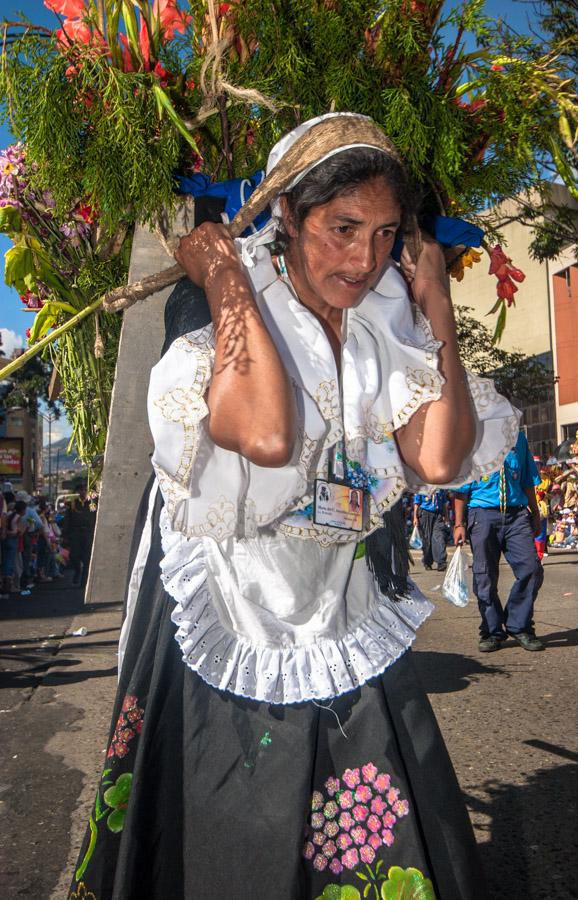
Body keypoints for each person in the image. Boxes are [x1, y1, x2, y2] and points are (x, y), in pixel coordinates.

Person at [68, 113, 519, 900]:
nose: (362, 256)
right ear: (286, 213)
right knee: (224, 828)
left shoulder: (387, 316)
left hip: (338, 603)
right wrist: (223, 274)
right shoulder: (222, 305)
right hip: (233, 608)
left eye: (384, 235)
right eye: (341, 227)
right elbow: (268, 435)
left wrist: (435, 298)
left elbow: (441, 457)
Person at [453, 432, 545, 653]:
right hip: (483, 514)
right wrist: (459, 523)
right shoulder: (471, 437)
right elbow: (461, 489)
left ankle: (520, 625)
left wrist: (534, 512)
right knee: (484, 576)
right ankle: (491, 631)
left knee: (531, 569)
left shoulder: (519, 438)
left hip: (516, 515)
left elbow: (527, 480)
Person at [62, 483, 96, 588]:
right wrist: (65, 535)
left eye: (85, 490)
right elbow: (67, 519)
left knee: (87, 558)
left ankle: (84, 581)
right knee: (74, 556)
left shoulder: (92, 503)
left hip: (87, 533)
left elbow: (95, 517)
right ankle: (78, 570)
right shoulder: (73, 503)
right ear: (77, 491)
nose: (83, 492)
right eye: (81, 490)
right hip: (75, 533)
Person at [412, 490, 449, 570]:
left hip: (438, 514)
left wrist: (446, 516)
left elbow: (444, 503)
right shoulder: (422, 486)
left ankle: (441, 561)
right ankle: (427, 561)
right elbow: (416, 503)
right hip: (425, 514)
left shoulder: (441, 487)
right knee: (427, 539)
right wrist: (415, 517)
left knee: (439, 537)